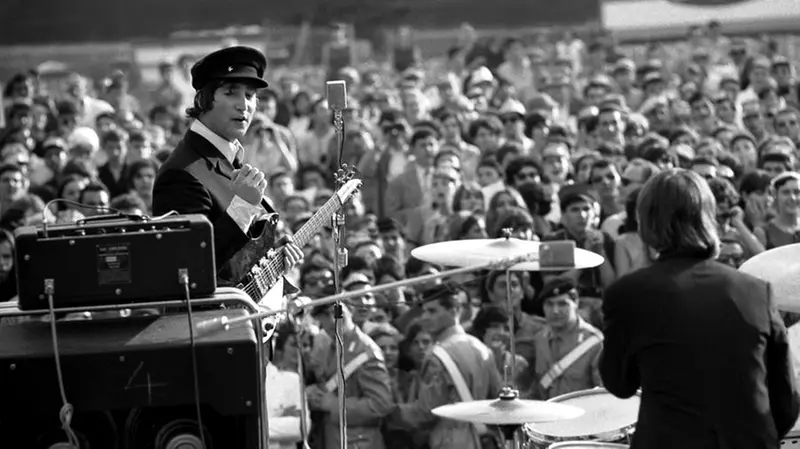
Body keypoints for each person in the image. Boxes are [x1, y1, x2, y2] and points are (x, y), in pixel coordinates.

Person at [600, 169, 800, 449]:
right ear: (708, 219)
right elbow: (786, 400)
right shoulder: (756, 291)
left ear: (647, 222)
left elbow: (619, 384)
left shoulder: (628, 293)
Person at [152, 46, 303, 282]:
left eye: (250, 95)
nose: (243, 105)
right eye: (231, 92)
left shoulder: (226, 156)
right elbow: (192, 267)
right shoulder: (181, 173)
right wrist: (243, 205)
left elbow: (231, 259)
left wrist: (266, 252)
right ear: (204, 99)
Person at [389, 284, 502, 449]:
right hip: (481, 439)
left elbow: (426, 412)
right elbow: (499, 398)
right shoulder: (481, 348)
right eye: (424, 311)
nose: (425, 317)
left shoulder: (437, 356)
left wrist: (391, 411)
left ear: (454, 310)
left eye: (432, 311)